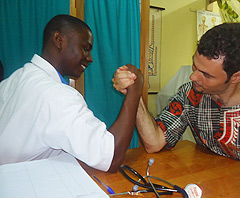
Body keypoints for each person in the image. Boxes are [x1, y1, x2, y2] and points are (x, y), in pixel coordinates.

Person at [113, 23, 240, 183]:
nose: (193, 76)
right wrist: (134, 92)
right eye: (195, 65)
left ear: (237, 76)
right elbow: (154, 143)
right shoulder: (189, 95)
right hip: (215, 184)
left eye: (207, 75)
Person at [0, 14, 143, 173]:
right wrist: (135, 90)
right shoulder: (57, 95)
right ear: (58, 40)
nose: (90, 59)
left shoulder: (14, 79)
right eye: (85, 48)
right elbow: (111, 158)